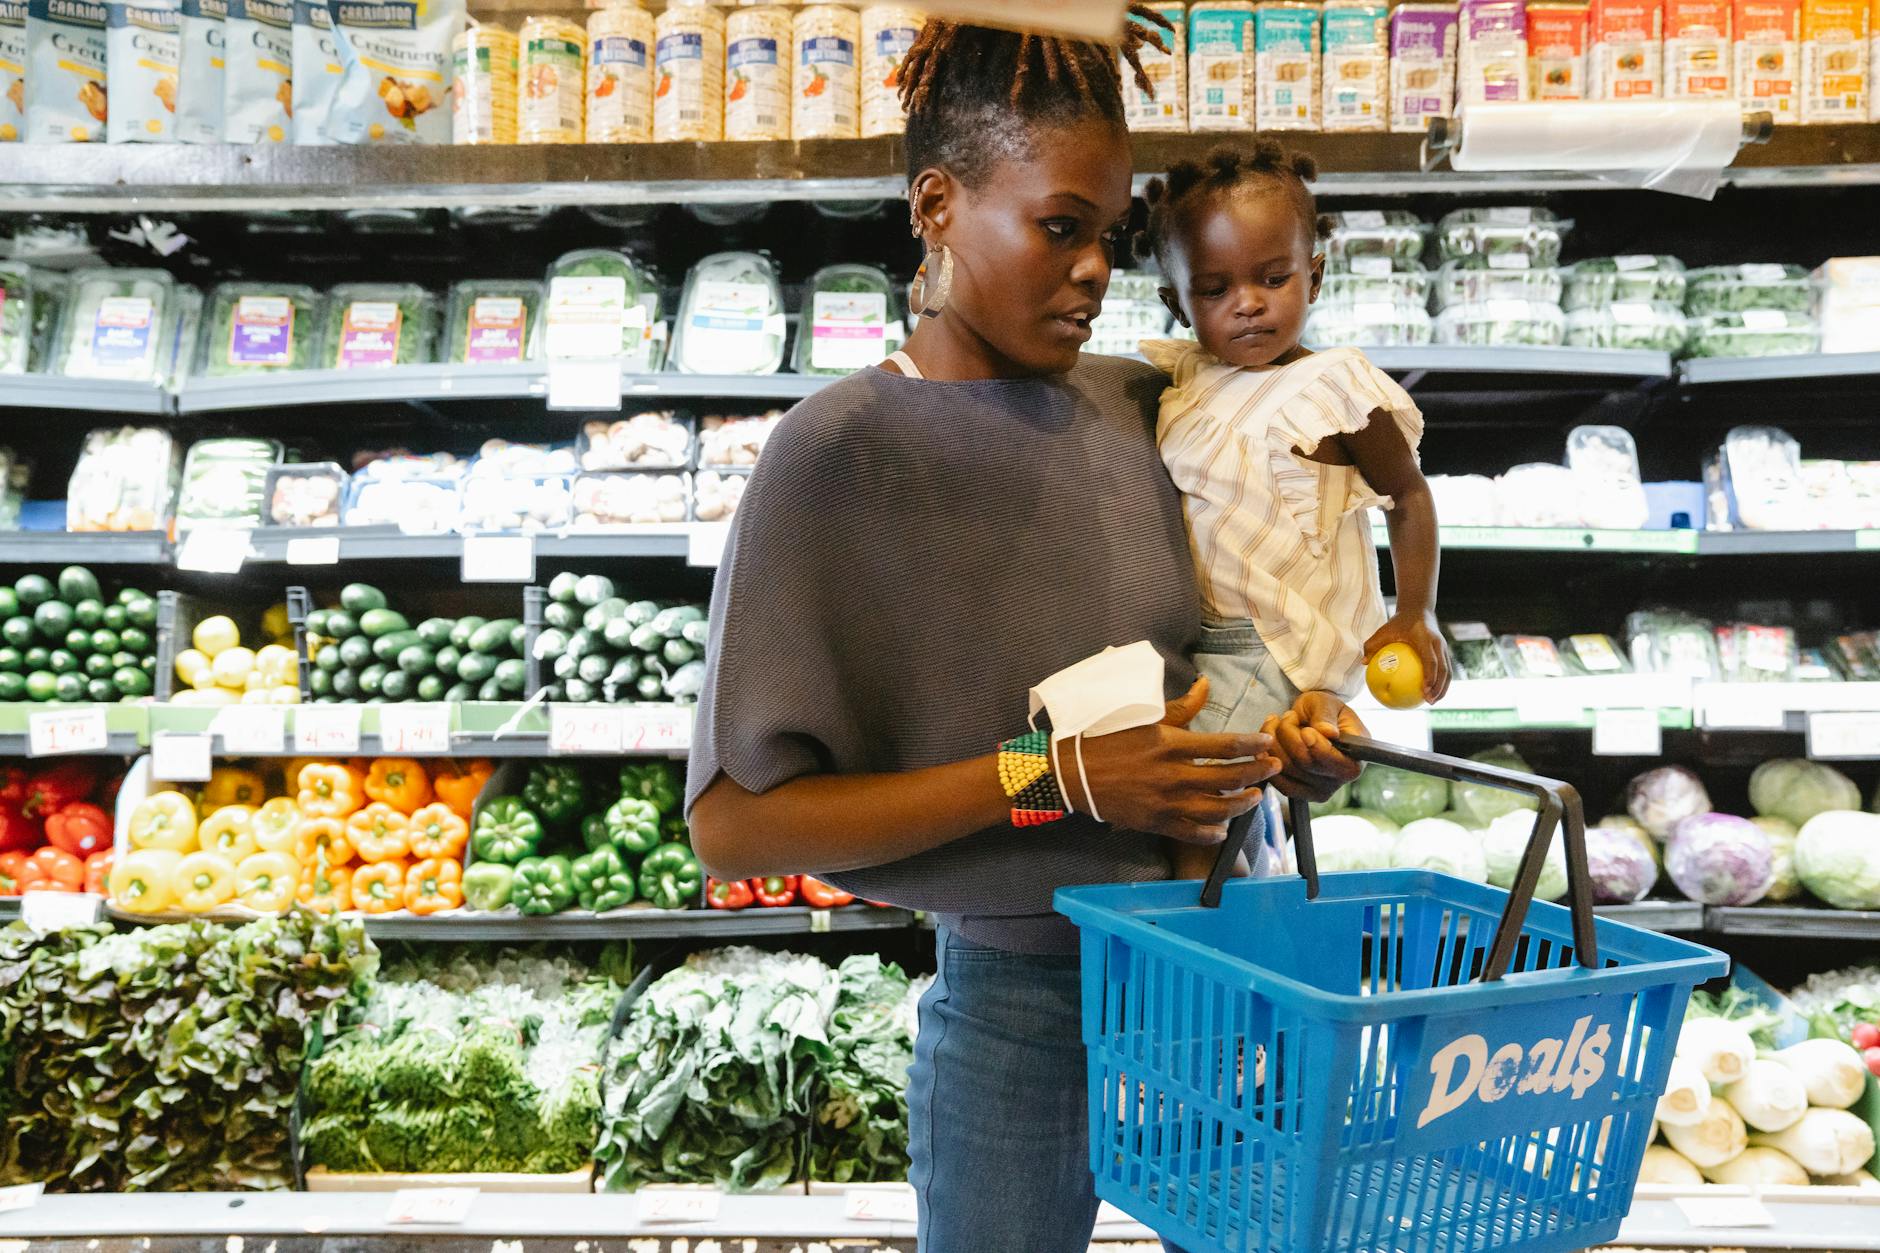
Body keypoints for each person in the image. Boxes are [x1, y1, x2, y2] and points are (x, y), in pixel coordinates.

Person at [685, 15, 1363, 1252]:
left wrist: (1291, 729)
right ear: (936, 206)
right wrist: (1053, 775)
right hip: (1019, 1009)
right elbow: (734, 825)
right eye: (1059, 227)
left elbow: (1232, 635)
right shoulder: (838, 451)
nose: (1095, 269)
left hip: (1230, 972)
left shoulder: (1146, 401)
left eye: (1111, 234)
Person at [1135, 145, 1451, 881]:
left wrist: (1417, 613)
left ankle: (1207, 934)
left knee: (1194, 804)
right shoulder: (1191, 377)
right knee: (1212, 807)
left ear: (1315, 275)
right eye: (1214, 289)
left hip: (1267, 641)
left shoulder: (1333, 387)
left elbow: (1409, 495)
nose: (1248, 302)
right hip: (1205, 636)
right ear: (1178, 304)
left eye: (1273, 278)